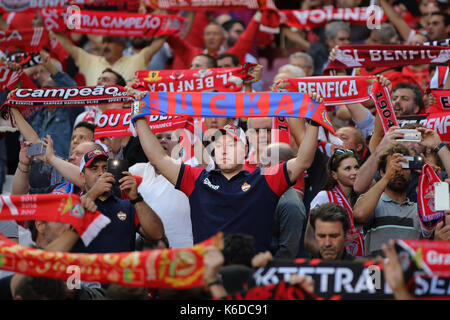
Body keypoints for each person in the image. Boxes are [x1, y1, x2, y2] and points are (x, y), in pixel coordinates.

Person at [134, 94, 321, 252]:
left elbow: (303, 160)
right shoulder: (196, 179)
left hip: (250, 273)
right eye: (219, 144)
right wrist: (139, 114)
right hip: (208, 272)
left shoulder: (264, 179)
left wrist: (313, 122)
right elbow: (158, 158)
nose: (223, 150)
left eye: (231, 144)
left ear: (245, 149)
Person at [71, 149, 165, 253]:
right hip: (86, 268)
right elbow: (61, 234)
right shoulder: (71, 204)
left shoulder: (127, 206)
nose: (101, 173)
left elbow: (157, 234)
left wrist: (136, 197)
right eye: (94, 168)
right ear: (82, 177)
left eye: (106, 168)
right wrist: (93, 194)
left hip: (121, 268)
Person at [353, 143, 423, 257]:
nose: (399, 171)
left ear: (411, 174)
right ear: (381, 172)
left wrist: (432, 179)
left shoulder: (419, 209)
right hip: (375, 271)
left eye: (404, 167)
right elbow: (359, 214)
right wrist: (387, 177)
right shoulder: (373, 202)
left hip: (409, 273)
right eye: (394, 166)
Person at [129, 130, 193, 249]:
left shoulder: (188, 168)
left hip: (182, 248)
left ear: (179, 144)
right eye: (158, 137)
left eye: (169, 137)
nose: (163, 140)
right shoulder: (137, 170)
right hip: (145, 249)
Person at [305, 149, 362, 257]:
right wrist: (331, 260)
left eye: (356, 167)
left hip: (358, 263)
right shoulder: (324, 197)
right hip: (334, 264)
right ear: (334, 175)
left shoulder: (362, 198)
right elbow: (309, 240)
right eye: (347, 169)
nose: (354, 172)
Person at [51, 33, 166, 85]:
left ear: (122, 45)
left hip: (125, 117)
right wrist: (54, 28)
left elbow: (156, 45)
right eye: (104, 42)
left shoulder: (137, 60)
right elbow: (69, 47)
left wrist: (167, 28)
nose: (105, 46)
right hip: (93, 118)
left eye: (110, 42)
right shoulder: (90, 61)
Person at [166, 12, 262, 69]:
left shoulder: (230, 56)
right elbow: (173, 39)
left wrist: (259, 14)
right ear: (203, 37)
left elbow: (246, 39)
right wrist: (167, 13)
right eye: (208, 34)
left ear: (223, 37)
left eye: (215, 34)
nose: (211, 37)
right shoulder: (193, 53)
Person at [260, 143, 307, 259]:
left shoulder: (291, 204)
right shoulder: (263, 192)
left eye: (264, 160)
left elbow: (288, 250)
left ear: (280, 164)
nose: (258, 165)